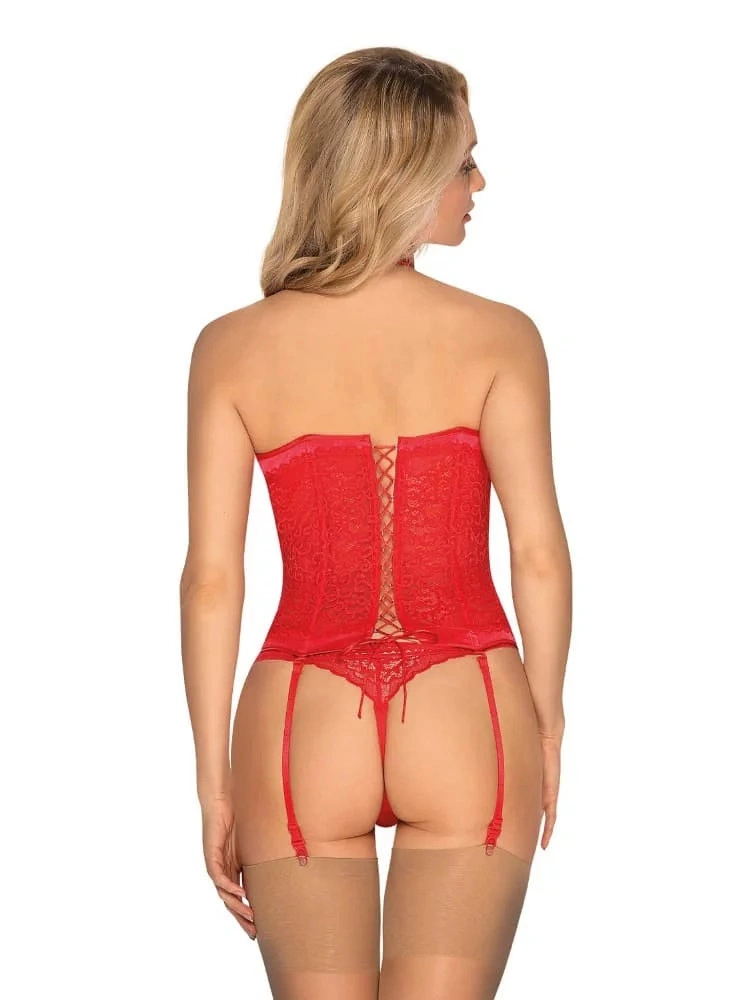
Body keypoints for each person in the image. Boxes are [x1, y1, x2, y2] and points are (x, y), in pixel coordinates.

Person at [180, 46, 572, 1000]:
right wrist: (548, 717)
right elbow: (535, 553)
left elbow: (212, 579)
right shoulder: (500, 335)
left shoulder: (231, 347)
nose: (479, 184)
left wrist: (214, 783)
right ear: (400, 174)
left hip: (298, 715)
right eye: (463, 163)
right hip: (467, 705)